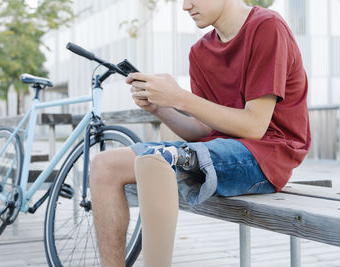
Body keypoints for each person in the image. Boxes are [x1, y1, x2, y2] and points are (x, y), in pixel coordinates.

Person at [89, 0, 311, 266]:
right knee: (103, 165)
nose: (185, 6)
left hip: (269, 156)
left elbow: (254, 127)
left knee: (158, 159)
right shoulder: (200, 52)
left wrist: (179, 97)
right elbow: (203, 131)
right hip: (219, 151)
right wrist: (161, 108)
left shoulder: (266, 26)